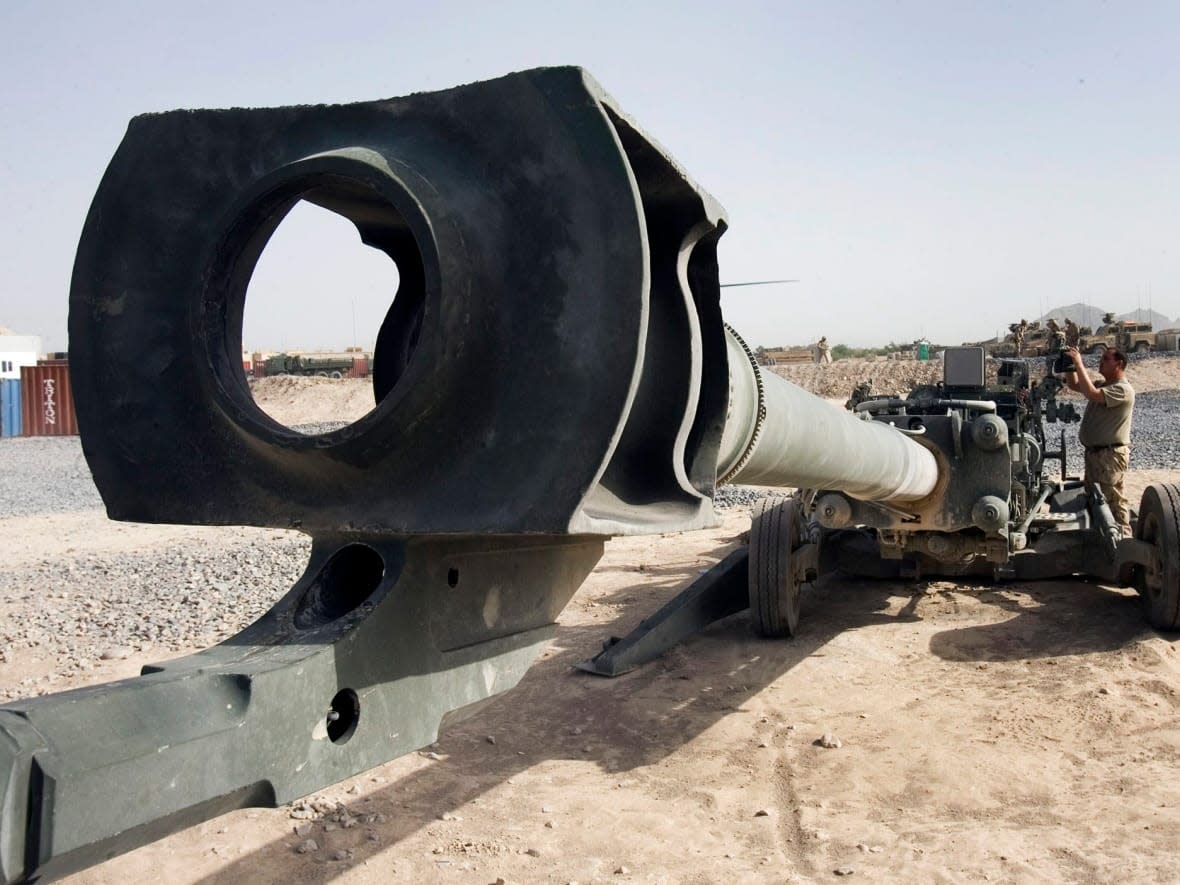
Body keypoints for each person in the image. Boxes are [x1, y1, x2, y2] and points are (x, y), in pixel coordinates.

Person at [1064, 346, 1135, 534]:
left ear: (1119, 364)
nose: (1101, 361)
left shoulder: (1123, 389)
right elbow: (1074, 384)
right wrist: (1069, 364)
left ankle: (1123, 540)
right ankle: (1103, 540)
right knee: (1096, 499)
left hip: (1110, 455)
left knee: (1112, 500)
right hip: (1096, 455)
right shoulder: (1104, 385)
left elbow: (1092, 394)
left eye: (1106, 359)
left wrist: (1079, 362)